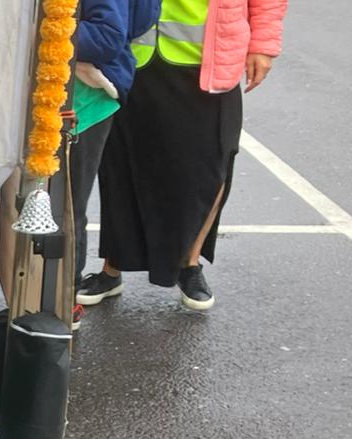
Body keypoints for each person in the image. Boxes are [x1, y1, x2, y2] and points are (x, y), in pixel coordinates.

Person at [77, 0, 286, 312]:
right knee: (121, 166)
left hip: (207, 60)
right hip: (135, 56)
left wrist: (263, 45)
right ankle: (112, 268)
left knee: (208, 167)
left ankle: (189, 265)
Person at [68, 0, 161, 324]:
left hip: (85, 99)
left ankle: (64, 299)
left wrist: (40, 31)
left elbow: (107, 37)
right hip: (60, 93)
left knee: (65, 205)